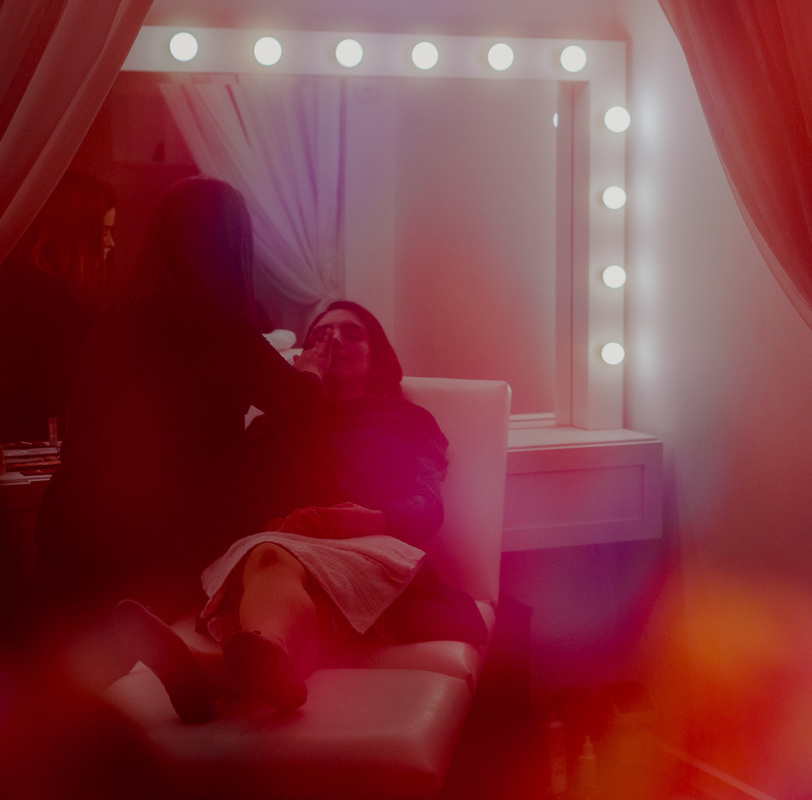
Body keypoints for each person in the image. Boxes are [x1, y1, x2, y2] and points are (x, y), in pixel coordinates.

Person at [113, 301, 484, 723]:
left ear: (376, 358)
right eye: (320, 335)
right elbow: (235, 504)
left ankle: (220, 670)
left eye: (352, 334)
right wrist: (279, 525)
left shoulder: (407, 421)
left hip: (368, 548)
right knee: (273, 555)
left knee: (276, 558)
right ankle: (256, 659)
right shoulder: (270, 427)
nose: (334, 341)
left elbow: (427, 503)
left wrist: (371, 518)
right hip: (275, 549)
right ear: (304, 360)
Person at [31, 178, 329, 679]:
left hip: (72, 526)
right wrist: (313, 371)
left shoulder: (114, 319)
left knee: (81, 694)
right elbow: (301, 406)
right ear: (232, 245)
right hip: (150, 537)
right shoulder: (217, 323)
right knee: (138, 688)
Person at [0, 171, 118, 442]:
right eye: (103, 231)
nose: (111, 243)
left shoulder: (24, 285)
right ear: (74, 233)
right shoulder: (52, 303)